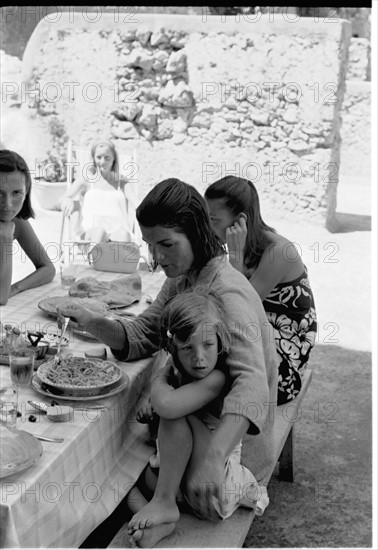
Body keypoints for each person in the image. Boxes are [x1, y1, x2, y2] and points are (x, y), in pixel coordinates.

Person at [58, 178, 278, 529]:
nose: (158, 258)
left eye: (166, 244)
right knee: (117, 461)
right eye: (150, 245)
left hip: (236, 455)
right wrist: (93, 320)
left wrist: (213, 457)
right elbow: (146, 331)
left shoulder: (227, 291)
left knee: (123, 468)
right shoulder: (185, 277)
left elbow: (252, 385)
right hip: (199, 426)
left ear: (196, 233)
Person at [126, 288, 269, 548]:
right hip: (185, 484)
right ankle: (162, 521)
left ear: (220, 341)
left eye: (207, 345)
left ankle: (164, 503)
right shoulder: (184, 373)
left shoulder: (217, 378)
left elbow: (168, 406)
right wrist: (153, 405)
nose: (199, 357)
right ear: (174, 349)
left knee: (176, 416)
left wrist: (160, 379)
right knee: (128, 483)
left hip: (214, 484)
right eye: (187, 348)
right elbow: (164, 405)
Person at [204, 176, 317, 405]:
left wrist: (235, 260)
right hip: (256, 346)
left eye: (213, 220)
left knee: (204, 364)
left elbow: (238, 310)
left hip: (282, 369)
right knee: (196, 352)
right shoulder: (247, 245)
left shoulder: (278, 252)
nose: (208, 227)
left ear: (240, 221)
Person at [0, 150, 55, 305]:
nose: (8, 204)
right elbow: (1, 298)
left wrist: (15, 288)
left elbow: (48, 269)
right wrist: (5, 239)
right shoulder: (7, 227)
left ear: (26, 193)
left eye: (16, 193)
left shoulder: (16, 221)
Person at [60, 139, 136, 246]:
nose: (103, 161)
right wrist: (68, 201)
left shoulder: (122, 182)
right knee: (99, 231)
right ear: (93, 158)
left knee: (124, 235)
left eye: (107, 157)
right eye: (99, 157)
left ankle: (113, 261)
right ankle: (97, 260)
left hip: (116, 232)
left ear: (114, 158)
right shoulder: (86, 180)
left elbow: (138, 203)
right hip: (90, 233)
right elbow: (63, 198)